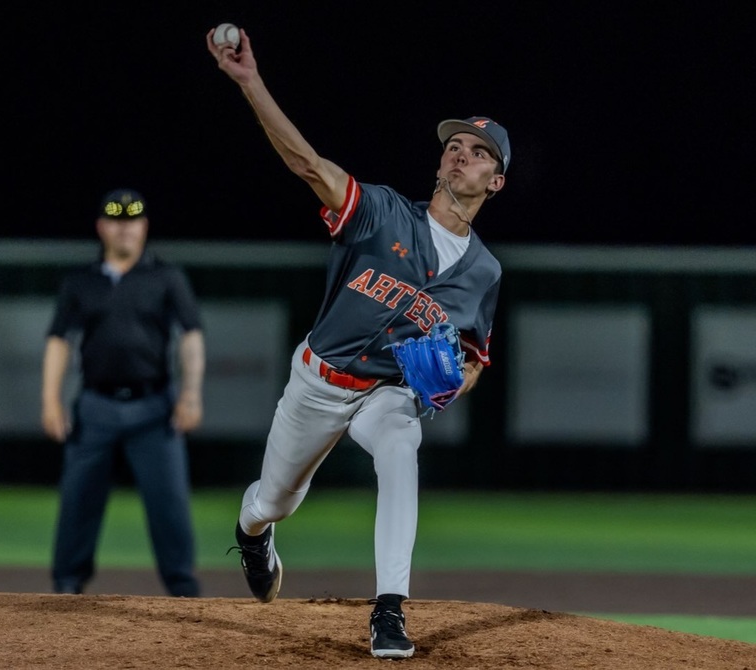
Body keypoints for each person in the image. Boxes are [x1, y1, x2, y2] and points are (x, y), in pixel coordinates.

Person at [206, 27, 509, 658]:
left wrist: (454, 381)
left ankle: (390, 609)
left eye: (478, 152)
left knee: (403, 445)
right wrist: (249, 82)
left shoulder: (484, 273)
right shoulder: (379, 212)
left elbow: (473, 359)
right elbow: (307, 164)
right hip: (319, 381)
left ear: (496, 181)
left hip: (386, 393)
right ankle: (252, 531)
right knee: (274, 500)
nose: (460, 155)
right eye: (454, 145)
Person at [40, 188, 206, 598]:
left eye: (133, 220)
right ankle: (67, 585)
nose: (125, 228)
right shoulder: (81, 281)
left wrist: (191, 394)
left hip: (154, 409)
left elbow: (191, 335)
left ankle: (183, 591)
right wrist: (49, 400)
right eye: (116, 220)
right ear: (102, 227)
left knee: (170, 507)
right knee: (78, 503)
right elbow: (59, 340)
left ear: (144, 226)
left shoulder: (166, 277)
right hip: (96, 407)